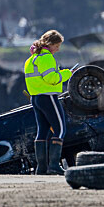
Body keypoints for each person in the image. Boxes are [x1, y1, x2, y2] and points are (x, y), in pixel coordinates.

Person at [24, 30, 73, 175]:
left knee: (43, 131)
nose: (58, 49)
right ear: (49, 44)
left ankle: (42, 168)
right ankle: (54, 166)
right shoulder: (46, 58)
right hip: (48, 97)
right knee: (60, 129)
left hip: (36, 98)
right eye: (57, 46)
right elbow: (51, 78)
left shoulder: (32, 59)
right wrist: (67, 73)